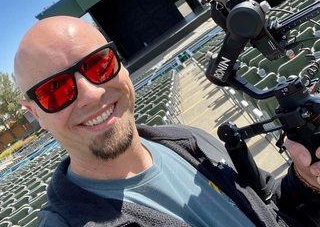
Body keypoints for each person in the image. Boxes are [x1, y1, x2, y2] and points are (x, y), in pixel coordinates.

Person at [14, 15, 320, 227]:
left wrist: (307, 180)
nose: (92, 94)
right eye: (55, 90)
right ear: (35, 113)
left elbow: (270, 203)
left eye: (98, 64)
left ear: (120, 63)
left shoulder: (186, 139)